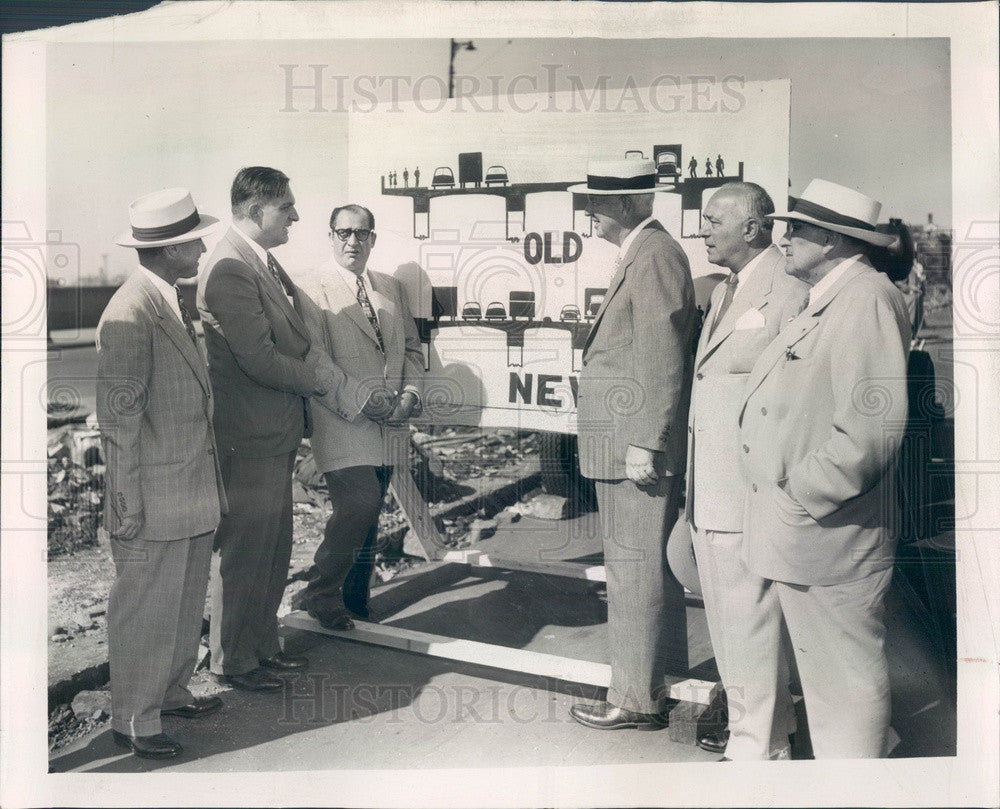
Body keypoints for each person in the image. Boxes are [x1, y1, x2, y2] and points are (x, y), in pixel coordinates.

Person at [739, 178, 908, 758]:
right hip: (811, 535)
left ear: (834, 241)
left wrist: (799, 493)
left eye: (797, 228)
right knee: (833, 688)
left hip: (831, 533)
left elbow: (871, 429)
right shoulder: (832, 296)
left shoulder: (865, 299)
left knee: (846, 691)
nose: (782, 238)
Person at [198, 167, 380, 692]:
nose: (296, 216)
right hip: (249, 435)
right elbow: (259, 359)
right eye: (286, 209)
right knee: (246, 550)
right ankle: (233, 661)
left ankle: (261, 648)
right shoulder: (231, 268)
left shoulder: (259, 262)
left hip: (270, 433)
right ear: (256, 212)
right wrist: (319, 383)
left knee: (272, 549)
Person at [677, 182, 808, 759]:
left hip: (750, 491)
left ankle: (761, 745)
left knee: (752, 622)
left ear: (753, 228)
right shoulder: (727, 291)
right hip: (709, 490)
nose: (703, 230)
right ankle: (754, 733)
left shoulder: (790, 292)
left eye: (713, 221)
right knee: (730, 623)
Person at [566, 159, 696, 730]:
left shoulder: (655, 255)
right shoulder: (645, 254)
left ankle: (635, 699)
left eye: (594, 204)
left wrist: (645, 441)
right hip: (624, 446)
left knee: (633, 572)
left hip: (632, 451)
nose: (589, 214)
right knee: (642, 570)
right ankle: (648, 686)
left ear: (624, 206)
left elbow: (664, 355)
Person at [98, 188, 225, 758]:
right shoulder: (129, 313)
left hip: (189, 487)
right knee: (146, 605)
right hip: (151, 492)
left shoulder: (169, 299)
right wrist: (124, 501)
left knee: (183, 597)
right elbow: (118, 423)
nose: (200, 248)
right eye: (192, 241)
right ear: (168, 250)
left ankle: (170, 690)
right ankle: (133, 716)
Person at [295, 204, 424, 629]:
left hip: (389, 421)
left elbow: (410, 349)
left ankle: (355, 604)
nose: (353, 241)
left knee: (371, 513)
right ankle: (319, 592)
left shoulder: (389, 287)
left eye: (362, 233)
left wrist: (409, 392)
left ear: (373, 238)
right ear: (330, 236)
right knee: (360, 504)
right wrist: (363, 400)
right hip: (341, 416)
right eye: (344, 233)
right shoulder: (309, 288)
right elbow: (314, 359)